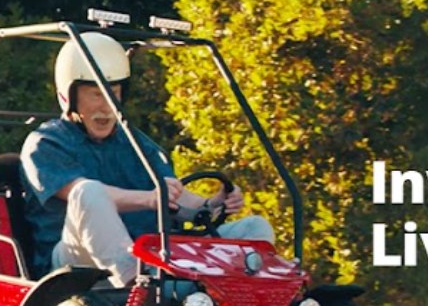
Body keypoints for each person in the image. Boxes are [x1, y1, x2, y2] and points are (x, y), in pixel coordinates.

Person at [20, 32, 274, 287]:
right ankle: (139, 288)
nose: (107, 106)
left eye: (114, 93)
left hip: (153, 252)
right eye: (96, 94)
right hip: (75, 261)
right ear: (69, 96)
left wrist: (212, 204)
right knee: (88, 191)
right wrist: (149, 199)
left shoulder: (135, 141)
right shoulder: (45, 143)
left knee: (254, 229)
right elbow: (83, 195)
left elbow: (173, 196)